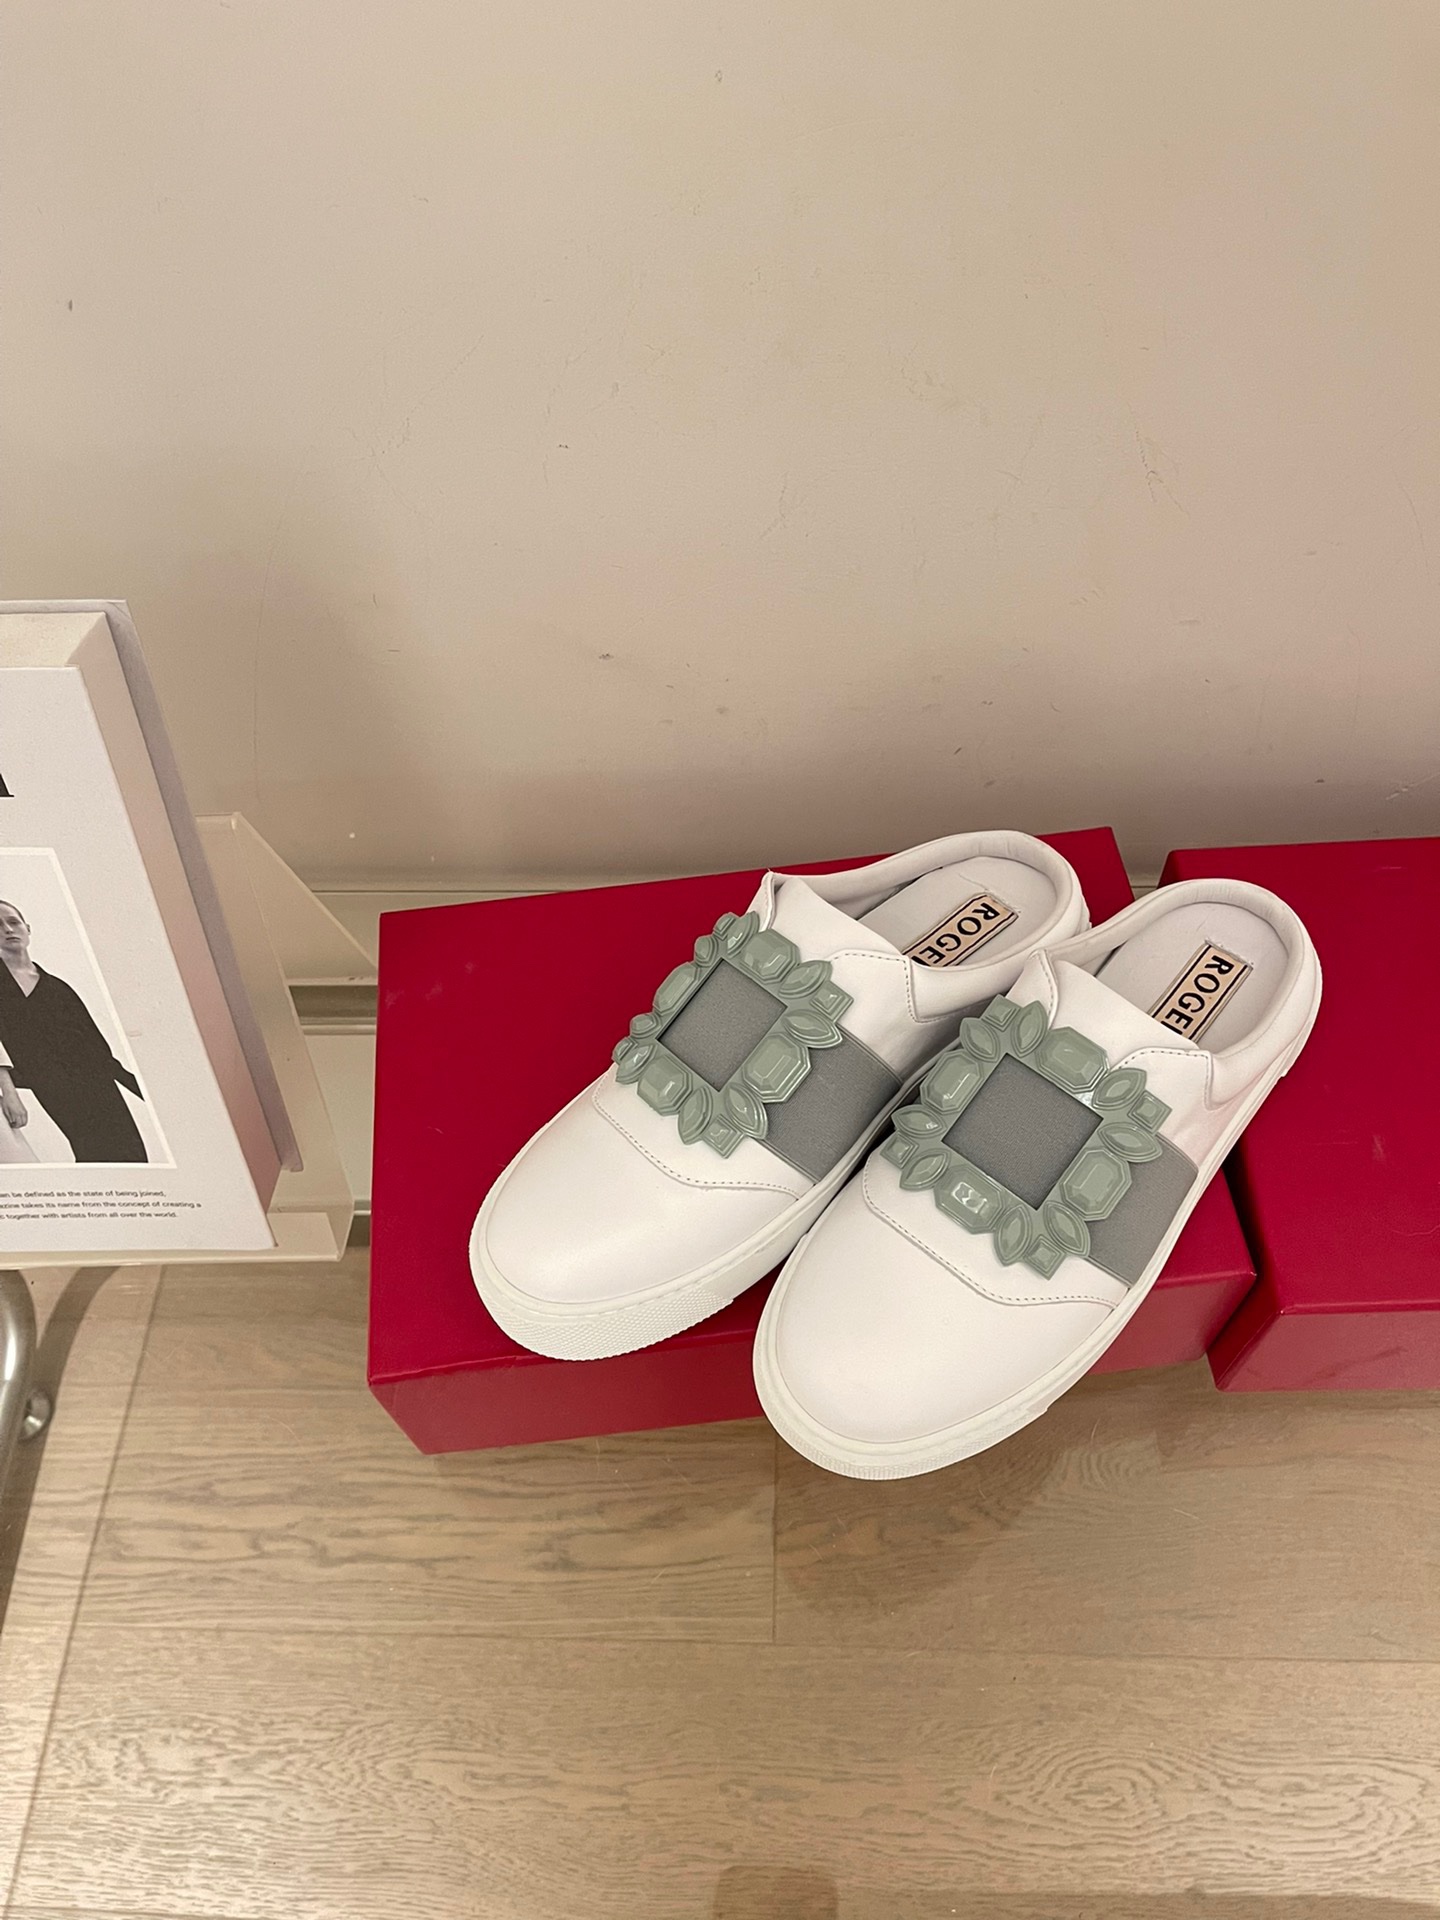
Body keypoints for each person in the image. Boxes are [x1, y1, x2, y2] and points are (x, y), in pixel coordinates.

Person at [0, 897, 148, 1163]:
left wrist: (141, 1089)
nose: (8, 929)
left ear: (27, 929)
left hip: (97, 1085)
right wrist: (9, 1093)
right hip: (44, 1086)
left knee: (127, 1155)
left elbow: (97, 1049)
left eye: (13, 922)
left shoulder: (59, 988)